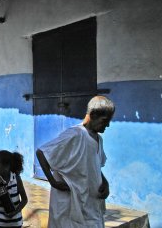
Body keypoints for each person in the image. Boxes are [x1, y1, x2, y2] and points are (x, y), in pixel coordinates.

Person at [36, 95, 115, 228]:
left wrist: (105, 182)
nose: (107, 125)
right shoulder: (75, 135)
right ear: (93, 114)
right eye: (105, 120)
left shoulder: (98, 139)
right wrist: (53, 182)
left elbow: (94, 166)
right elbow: (42, 153)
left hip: (91, 204)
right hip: (70, 207)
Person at [0, 150, 28, 228]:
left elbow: (24, 200)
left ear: (6, 167)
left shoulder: (16, 179)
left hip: (15, 223)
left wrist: (15, 212)